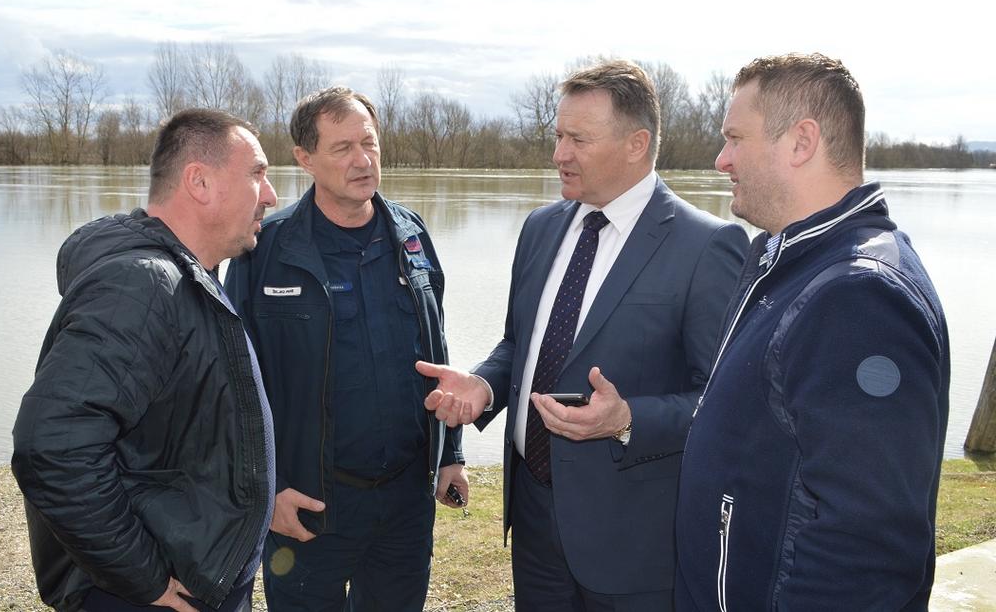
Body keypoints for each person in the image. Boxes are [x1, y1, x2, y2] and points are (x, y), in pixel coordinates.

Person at [418, 59, 749, 611]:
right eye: (557, 136)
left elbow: (725, 404)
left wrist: (628, 419)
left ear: (637, 144)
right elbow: (520, 344)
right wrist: (485, 384)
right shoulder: (540, 227)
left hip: (634, 540)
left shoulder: (707, 246)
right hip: (534, 521)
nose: (559, 154)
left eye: (578, 139)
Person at [674, 53, 950, 610]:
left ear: (802, 142)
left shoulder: (859, 299)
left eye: (735, 139)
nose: (721, 160)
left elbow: (867, 552)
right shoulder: (789, 263)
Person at [11, 109, 278, 612]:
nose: (270, 194)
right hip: (142, 593)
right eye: (257, 174)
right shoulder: (143, 284)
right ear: (199, 182)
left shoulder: (188, 275)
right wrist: (144, 578)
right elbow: (51, 446)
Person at [224, 86, 466, 612]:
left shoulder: (411, 235)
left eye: (369, 143)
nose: (363, 160)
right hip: (308, 503)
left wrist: (450, 454)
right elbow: (234, 381)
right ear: (305, 158)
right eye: (342, 148)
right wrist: (268, 490)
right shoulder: (266, 248)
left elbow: (437, 349)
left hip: (404, 502)